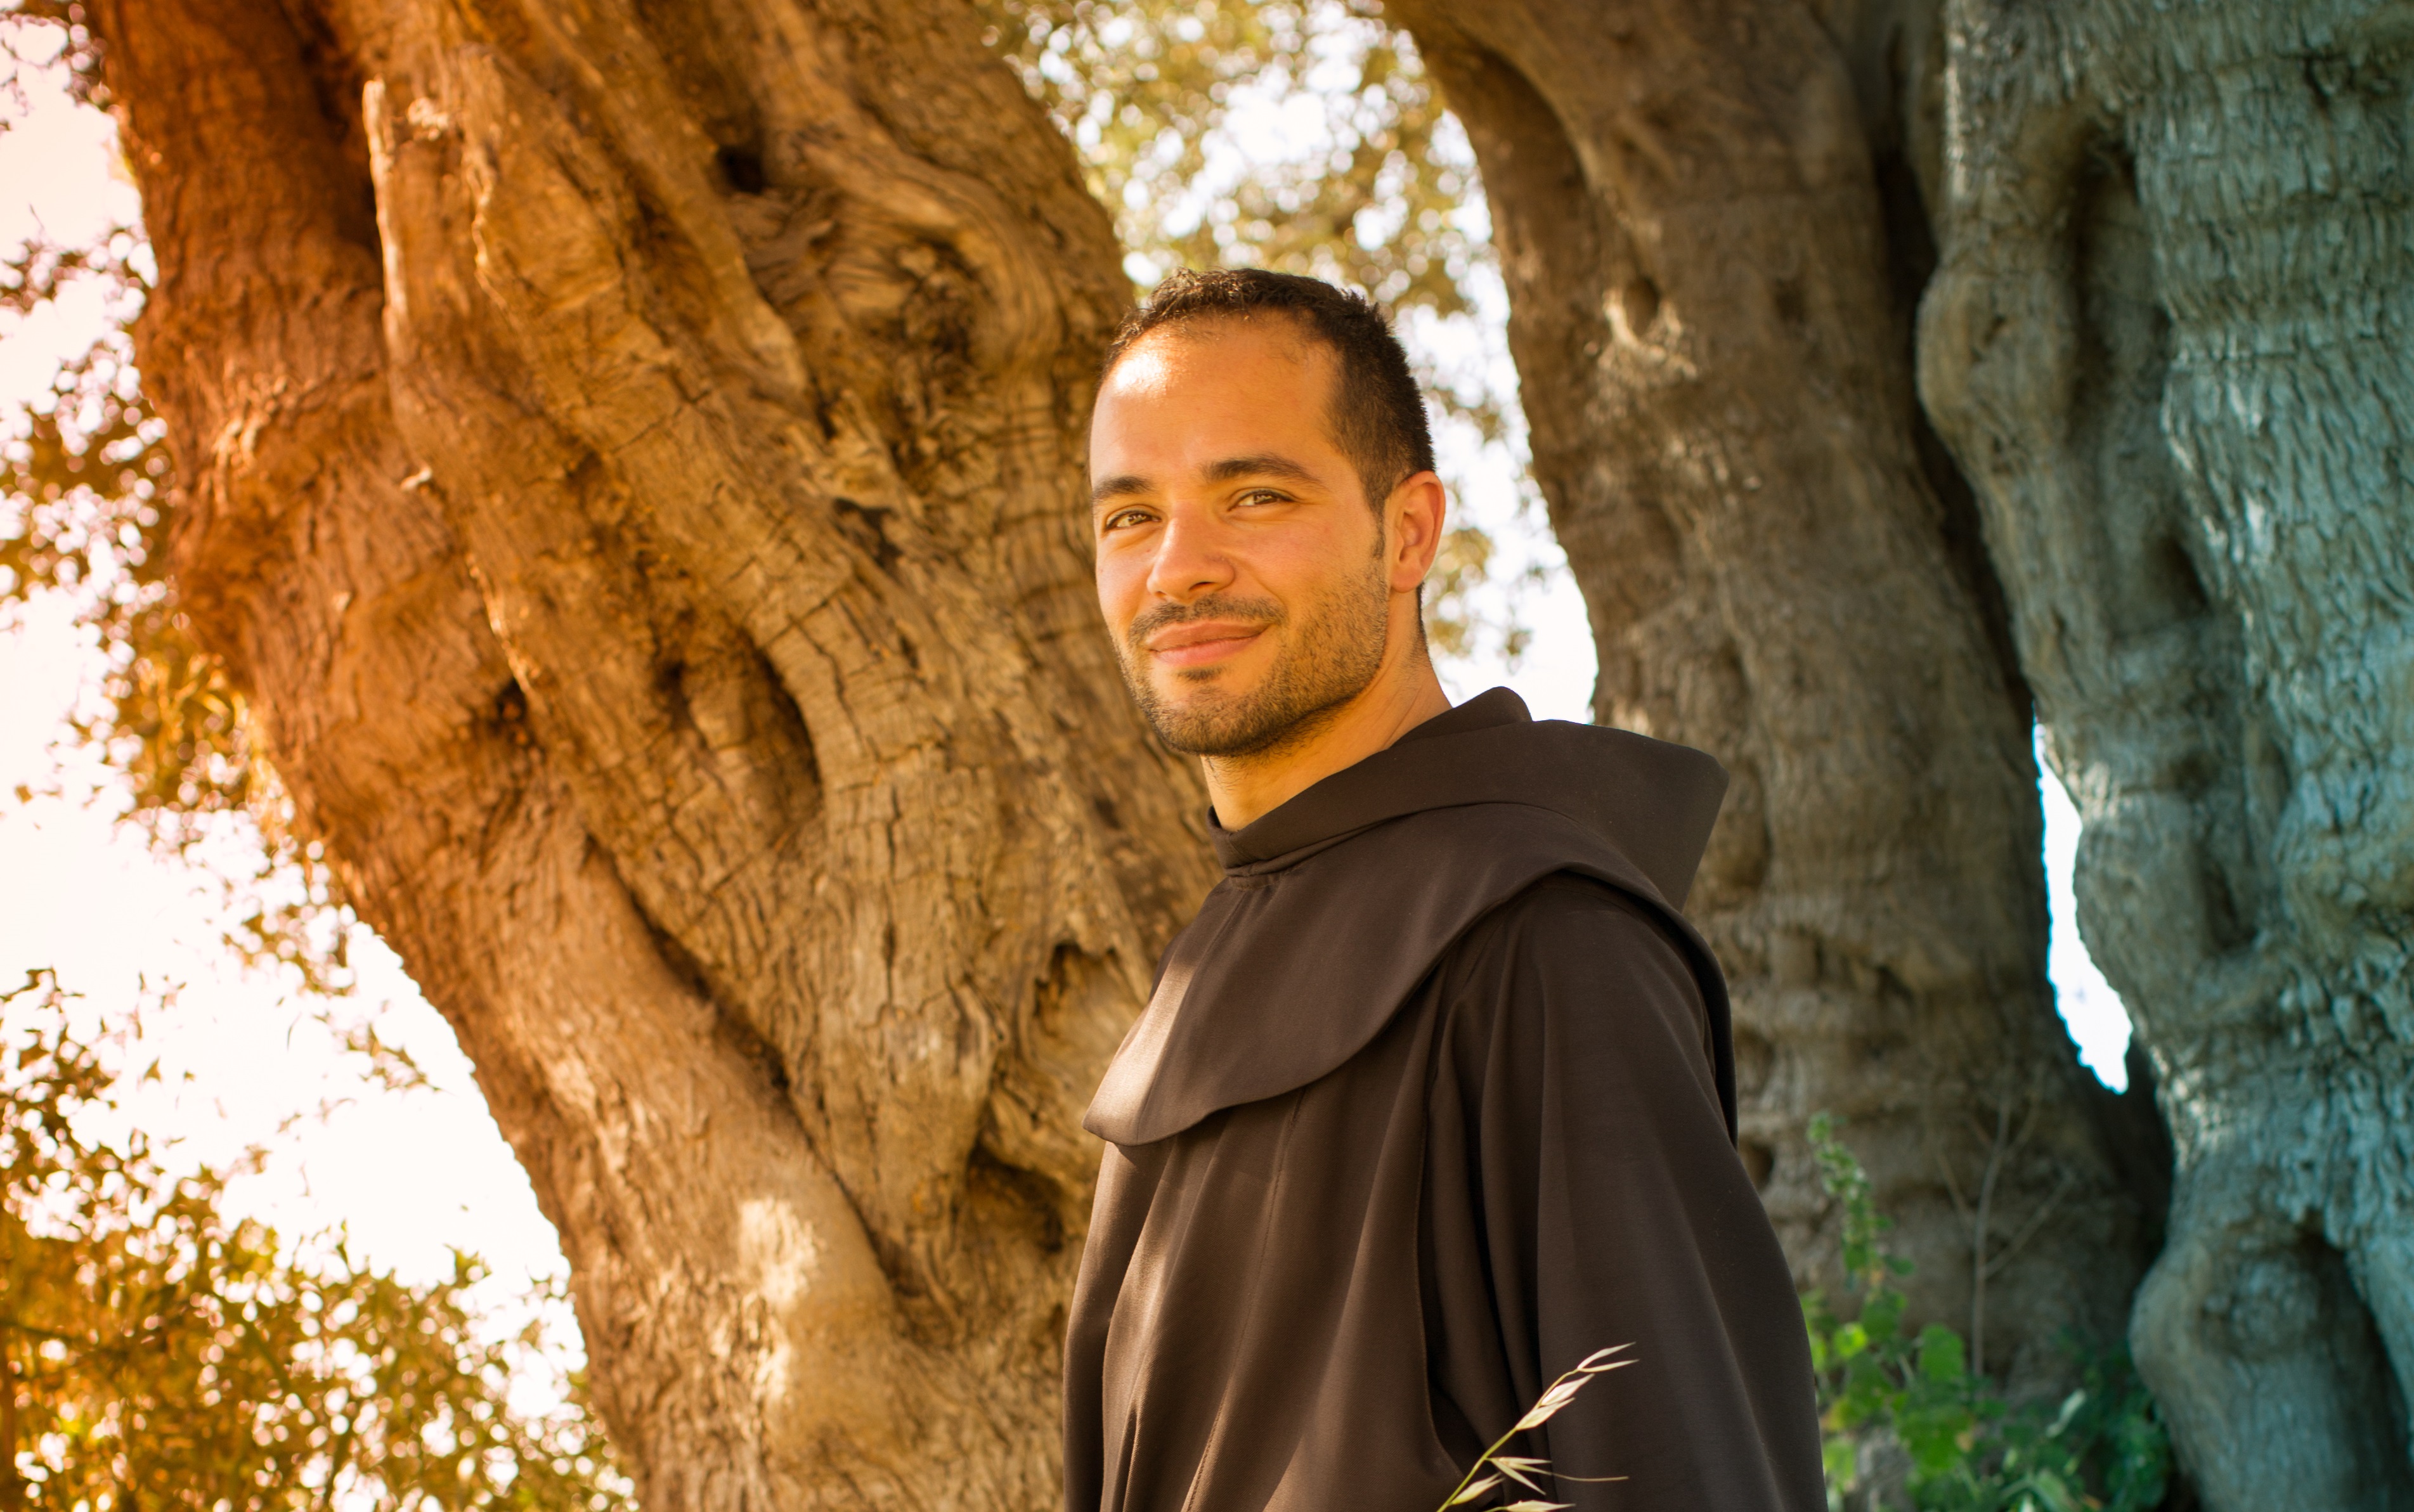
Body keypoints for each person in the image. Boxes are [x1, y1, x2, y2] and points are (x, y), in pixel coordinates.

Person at [1064, 268, 1824, 1512]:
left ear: (1408, 530)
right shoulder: (1206, 967)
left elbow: (1689, 1473)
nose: (1178, 567)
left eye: (1254, 495)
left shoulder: (1542, 940)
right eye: (1130, 516)